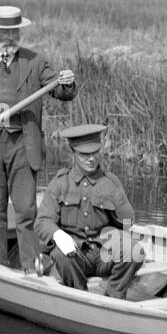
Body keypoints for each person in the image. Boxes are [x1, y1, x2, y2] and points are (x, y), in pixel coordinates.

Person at [0, 6, 76, 271]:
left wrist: (66, 82)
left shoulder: (35, 61)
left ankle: (31, 267)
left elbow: (61, 92)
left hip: (23, 144)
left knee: (26, 210)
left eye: (13, 31)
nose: (9, 37)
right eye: (3, 32)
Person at [35, 123, 145, 298]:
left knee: (134, 251)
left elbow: (127, 223)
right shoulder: (60, 183)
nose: (91, 159)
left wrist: (118, 200)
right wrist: (58, 235)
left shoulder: (111, 182)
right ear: (73, 153)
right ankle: (79, 296)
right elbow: (42, 221)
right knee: (61, 254)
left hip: (103, 255)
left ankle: (114, 296)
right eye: (84, 154)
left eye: (95, 153)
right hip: (74, 255)